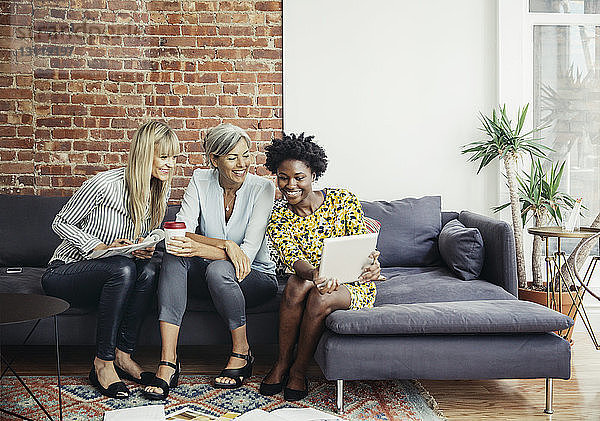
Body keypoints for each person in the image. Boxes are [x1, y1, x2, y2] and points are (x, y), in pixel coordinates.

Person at [41, 121, 180, 399]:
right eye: (163, 156)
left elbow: (146, 234)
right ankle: (102, 363)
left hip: (116, 273)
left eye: (174, 157)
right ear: (144, 154)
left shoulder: (156, 191)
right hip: (64, 274)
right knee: (124, 268)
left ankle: (123, 356)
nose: (170, 164)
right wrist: (99, 245)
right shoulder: (104, 184)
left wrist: (146, 244)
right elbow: (60, 223)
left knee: (148, 271)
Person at [143, 123, 278, 400]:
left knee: (218, 268)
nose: (242, 164)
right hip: (209, 272)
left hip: (255, 277)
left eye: (246, 155)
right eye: (232, 157)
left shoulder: (262, 188)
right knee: (173, 252)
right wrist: (225, 244)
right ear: (214, 160)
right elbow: (181, 234)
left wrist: (205, 248)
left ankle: (242, 352)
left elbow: (247, 255)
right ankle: (169, 361)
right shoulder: (200, 179)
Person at [259, 133, 382, 401]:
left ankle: (299, 371)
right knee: (295, 283)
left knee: (320, 295)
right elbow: (293, 259)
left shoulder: (344, 200)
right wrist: (316, 274)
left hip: (351, 284)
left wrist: (373, 265)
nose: (290, 185)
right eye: (283, 177)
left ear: (313, 174)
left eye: (299, 177)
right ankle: (282, 362)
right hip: (309, 277)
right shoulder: (278, 215)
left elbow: (362, 247)